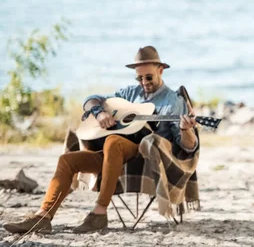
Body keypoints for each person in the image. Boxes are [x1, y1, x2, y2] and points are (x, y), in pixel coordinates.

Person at [3, 46, 198, 234]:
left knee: (113, 141)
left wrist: (186, 129)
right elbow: (91, 99)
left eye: (149, 77)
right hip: (111, 156)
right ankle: (43, 217)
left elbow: (187, 147)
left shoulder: (173, 101)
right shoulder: (130, 93)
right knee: (67, 161)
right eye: (139, 78)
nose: (144, 82)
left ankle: (99, 213)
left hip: (145, 157)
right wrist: (99, 113)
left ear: (161, 70)